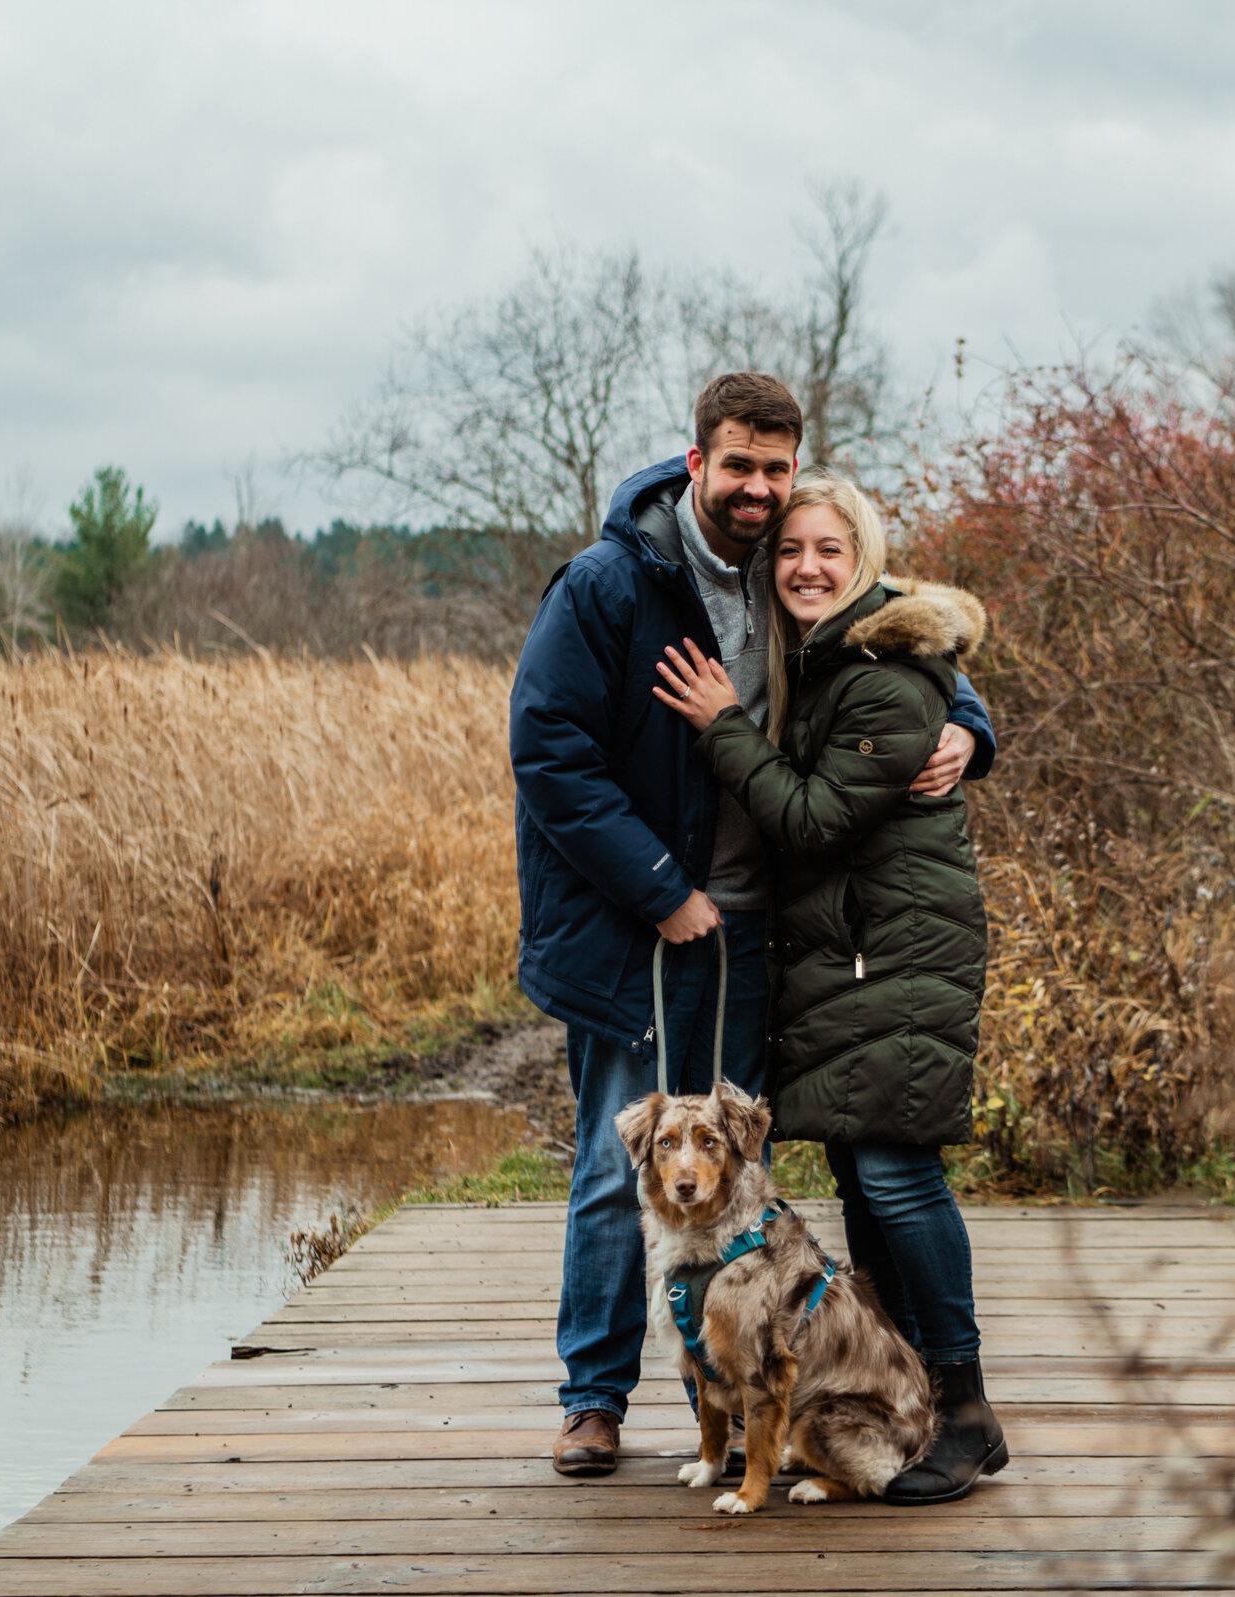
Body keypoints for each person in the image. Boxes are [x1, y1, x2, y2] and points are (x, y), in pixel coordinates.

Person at [509, 373, 997, 1478]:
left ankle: (744, 1403)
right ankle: (593, 1398)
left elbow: (907, 641)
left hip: (762, 934)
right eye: (739, 467)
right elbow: (548, 750)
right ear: (696, 463)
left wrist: (972, 724)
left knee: (735, 1174)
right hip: (646, 926)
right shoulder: (611, 585)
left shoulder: (791, 568)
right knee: (612, 1164)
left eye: (776, 471)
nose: (759, 490)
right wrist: (659, 889)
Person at [650, 473, 1005, 1505]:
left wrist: (724, 723)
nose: (807, 566)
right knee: (865, 1182)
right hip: (850, 955)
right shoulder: (832, 652)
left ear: (867, 563)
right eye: (792, 550)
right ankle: (915, 1404)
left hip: (894, 953)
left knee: (898, 1180)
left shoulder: (886, 671)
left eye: (830, 551)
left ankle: (969, 1411)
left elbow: (807, 819)